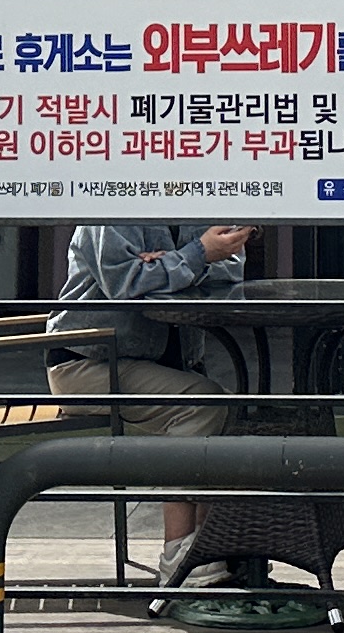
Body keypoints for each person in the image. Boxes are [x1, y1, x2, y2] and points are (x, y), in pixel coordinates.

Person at [50, 218, 252, 560]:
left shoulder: (199, 202)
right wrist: (198, 254)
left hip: (165, 364)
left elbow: (231, 269)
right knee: (202, 405)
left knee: (233, 413)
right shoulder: (112, 205)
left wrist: (172, 264)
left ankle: (209, 547)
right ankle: (178, 555)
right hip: (89, 362)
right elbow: (124, 283)